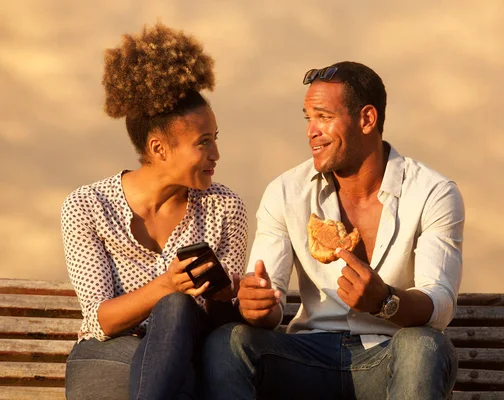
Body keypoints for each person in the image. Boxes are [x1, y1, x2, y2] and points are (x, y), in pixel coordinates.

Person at [201, 61, 465, 399]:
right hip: (307, 359)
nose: (311, 131)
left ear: (367, 119)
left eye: (324, 117)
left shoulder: (433, 192)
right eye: (308, 118)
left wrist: (386, 301)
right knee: (229, 341)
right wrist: (260, 306)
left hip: (389, 358)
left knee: (424, 345)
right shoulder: (286, 192)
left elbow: (439, 303)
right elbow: (271, 297)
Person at [61, 22, 247, 400]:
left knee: (178, 310)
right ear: (159, 149)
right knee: (173, 301)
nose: (216, 155)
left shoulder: (225, 207)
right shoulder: (87, 206)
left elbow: (221, 321)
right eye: (203, 143)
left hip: (190, 359)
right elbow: (100, 320)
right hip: (109, 356)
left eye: (216, 139)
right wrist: (167, 284)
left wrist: (232, 296)